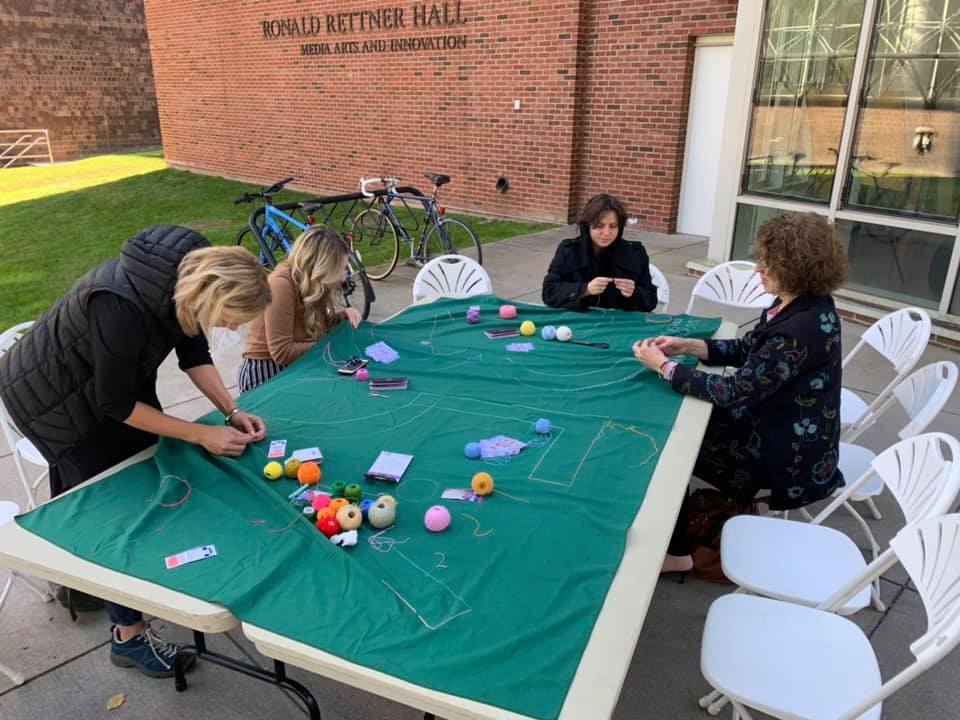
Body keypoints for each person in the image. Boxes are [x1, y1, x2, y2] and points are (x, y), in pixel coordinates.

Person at [0, 224, 272, 677]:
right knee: (112, 505)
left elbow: (192, 351)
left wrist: (230, 410)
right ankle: (127, 636)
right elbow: (117, 404)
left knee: (146, 468)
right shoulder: (121, 305)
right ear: (213, 293)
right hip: (52, 398)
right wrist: (200, 434)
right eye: (233, 315)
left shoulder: (185, 280)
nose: (235, 326)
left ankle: (84, 586)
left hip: (107, 383)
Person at [632, 212, 849, 574]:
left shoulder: (799, 329)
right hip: (781, 430)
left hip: (785, 460)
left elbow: (733, 392)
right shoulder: (800, 303)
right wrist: (690, 346)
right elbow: (752, 348)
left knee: (669, 447)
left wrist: (664, 367)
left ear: (796, 268)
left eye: (768, 263)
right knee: (678, 424)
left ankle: (678, 552)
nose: (757, 270)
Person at [238, 225, 362, 394]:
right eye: (339, 269)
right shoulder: (280, 285)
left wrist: (342, 317)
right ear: (320, 267)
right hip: (266, 374)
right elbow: (282, 352)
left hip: (297, 364)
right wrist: (330, 344)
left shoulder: (312, 282)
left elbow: (312, 326)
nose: (342, 277)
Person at [541, 193, 658, 312]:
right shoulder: (569, 251)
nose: (606, 233)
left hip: (619, 325)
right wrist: (585, 289)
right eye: (599, 226)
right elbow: (549, 292)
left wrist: (634, 292)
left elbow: (651, 300)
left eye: (613, 226)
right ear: (587, 225)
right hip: (578, 323)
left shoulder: (635, 254)